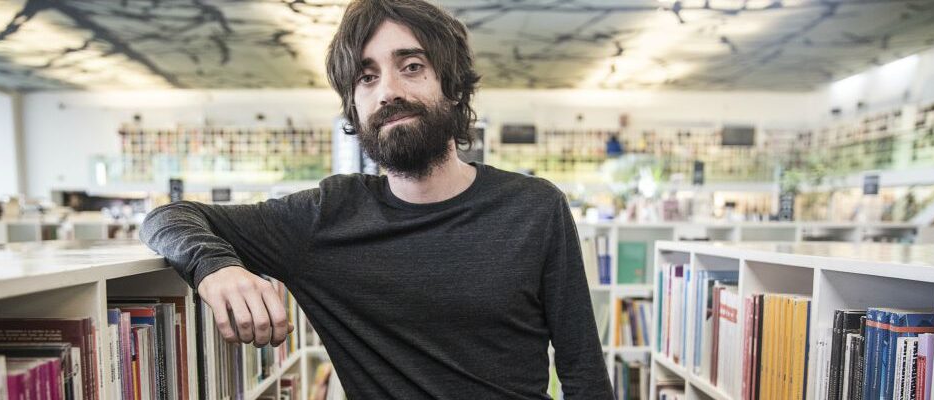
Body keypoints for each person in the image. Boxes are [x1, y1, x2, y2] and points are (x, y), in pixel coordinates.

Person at [139, 0, 613, 398]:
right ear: (354, 107)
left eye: (411, 67)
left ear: (451, 88)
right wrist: (215, 266)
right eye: (366, 78)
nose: (388, 91)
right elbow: (168, 216)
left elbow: (583, 369)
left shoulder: (534, 207)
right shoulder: (325, 217)